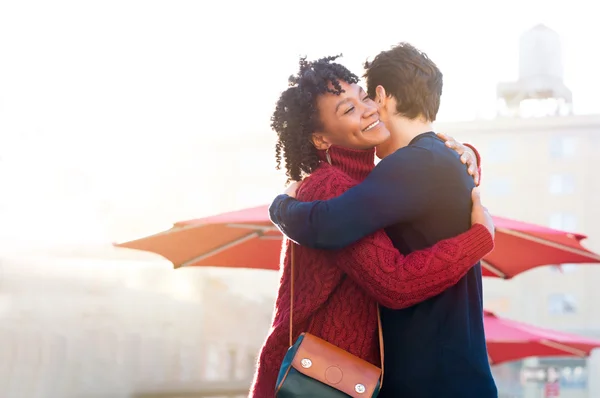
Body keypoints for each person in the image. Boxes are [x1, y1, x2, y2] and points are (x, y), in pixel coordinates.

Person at [250, 55, 495, 397]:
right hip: (318, 382)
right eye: (347, 110)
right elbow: (394, 283)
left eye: (364, 98)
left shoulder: (373, 183)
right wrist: (479, 240)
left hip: (345, 380)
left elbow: (415, 176)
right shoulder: (332, 187)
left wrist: (462, 153)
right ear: (321, 139)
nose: (367, 109)